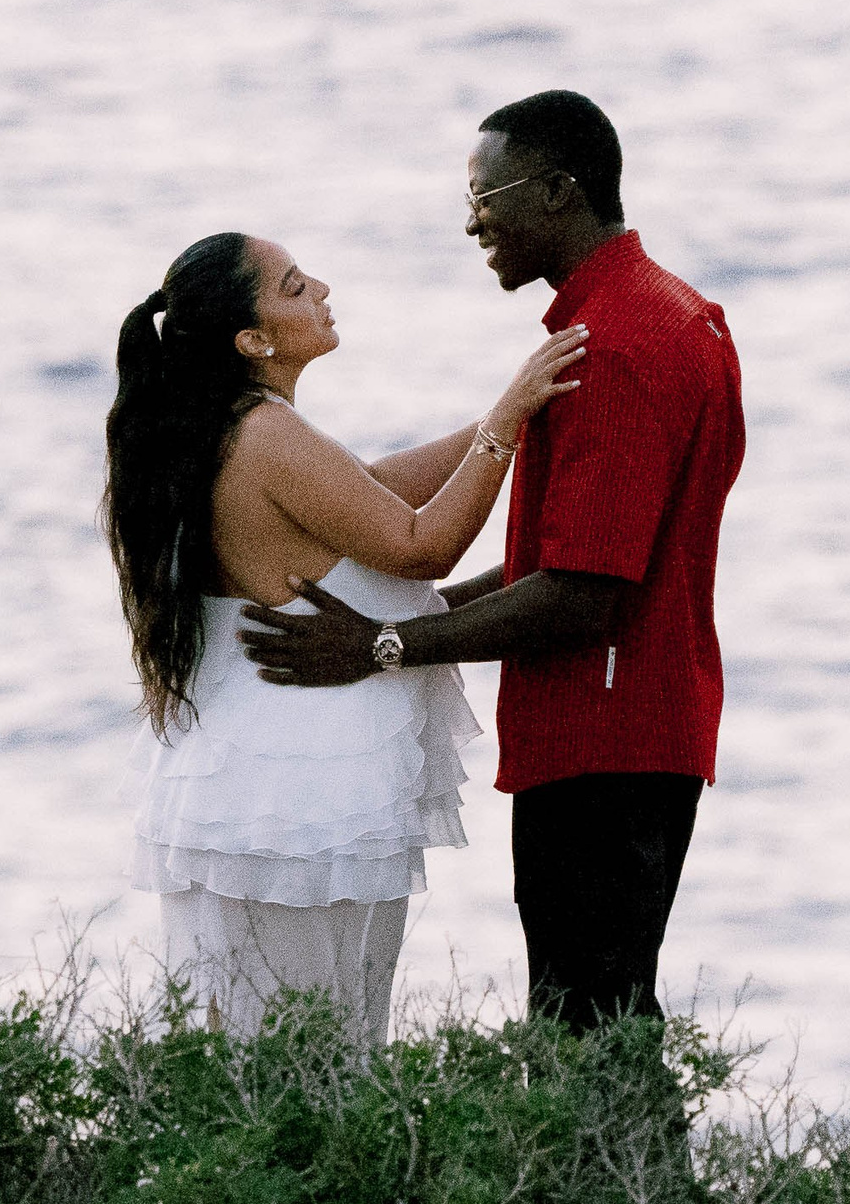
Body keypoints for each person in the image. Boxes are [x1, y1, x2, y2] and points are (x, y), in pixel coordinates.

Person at [241, 91, 746, 1033]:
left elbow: (582, 597)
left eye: (486, 195)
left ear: (557, 192)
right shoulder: (676, 314)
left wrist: (388, 645)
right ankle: (642, 1190)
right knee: (607, 1016)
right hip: (643, 727)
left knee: (585, 1032)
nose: (471, 220)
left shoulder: (615, 348)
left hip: (602, 740)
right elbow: (558, 564)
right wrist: (407, 613)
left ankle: (628, 1191)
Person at [106, 230, 586, 1046]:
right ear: (252, 341)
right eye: (294, 287)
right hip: (299, 791)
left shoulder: (235, 427)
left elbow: (372, 490)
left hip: (260, 780)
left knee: (271, 1051)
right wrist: (506, 422)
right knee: (316, 1053)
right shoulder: (262, 431)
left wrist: (510, 419)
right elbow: (420, 544)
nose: (321, 287)